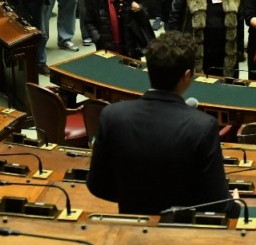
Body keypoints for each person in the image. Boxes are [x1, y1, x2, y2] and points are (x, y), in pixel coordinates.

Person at [87, 32, 230, 216]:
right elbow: (216, 204)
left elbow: (97, 186)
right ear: (186, 76)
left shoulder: (112, 115)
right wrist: (233, 203)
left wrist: (134, 198)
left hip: (132, 230)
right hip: (182, 233)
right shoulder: (203, 126)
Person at [169, 0, 242, 77]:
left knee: (225, 86)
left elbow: (239, 20)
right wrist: (176, 45)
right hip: (197, 48)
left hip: (224, 49)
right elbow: (174, 16)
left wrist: (239, 49)